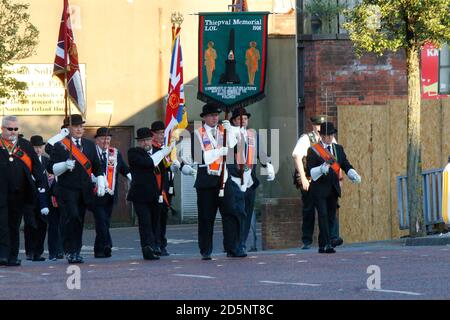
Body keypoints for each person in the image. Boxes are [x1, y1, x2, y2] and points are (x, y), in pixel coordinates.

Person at [47, 114, 105, 264]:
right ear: (68, 128)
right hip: (67, 190)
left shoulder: (90, 145)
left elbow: (97, 166)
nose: (79, 129)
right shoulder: (60, 145)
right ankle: (69, 250)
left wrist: (100, 179)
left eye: (81, 126)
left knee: (79, 220)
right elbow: (50, 167)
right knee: (70, 217)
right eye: (76, 126)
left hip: (84, 191)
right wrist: (64, 165)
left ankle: (76, 251)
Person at [193, 102, 244, 260]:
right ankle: (206, 250)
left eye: (217, 115)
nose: (215, 118)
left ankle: (232, 248)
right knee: (206, 218)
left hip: (224, 179)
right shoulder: (197, 134)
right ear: (205, 117)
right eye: (212, 115)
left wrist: (231, 133)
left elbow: (235, 148)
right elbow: (199, 157)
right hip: (206, 181)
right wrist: (218, 152)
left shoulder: (224, 131)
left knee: (231, 213)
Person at [306, 122, 361, 254]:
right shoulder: (313, 150)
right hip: (319, 189)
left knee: (331, 216)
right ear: (321, 135)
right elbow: (310, 172)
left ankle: (322, 243)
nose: (329, 138)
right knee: (323, 215)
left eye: (331, 135)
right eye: (326, 135)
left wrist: (352, 173)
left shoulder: (338, 149)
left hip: (333, 188)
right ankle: (328, 244)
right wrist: (321, 169)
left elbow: (345, 164)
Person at [0, 116, 48, 266]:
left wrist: (40, 184)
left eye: (15, 129)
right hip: (1, 193)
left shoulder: (26, 146)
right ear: (2, 129)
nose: (13, 132)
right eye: (10, 129)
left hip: (20, 193)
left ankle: (13, 256)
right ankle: (3, 255)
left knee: (14, 225)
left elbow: (36, 167)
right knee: (2, 225)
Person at [229, 107, 275, 254]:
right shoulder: (229, 134)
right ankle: (234, 243)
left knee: (247, 213)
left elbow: (260, 154)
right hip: (234, 180)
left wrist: (268, 164)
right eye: (239, 119)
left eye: (245, 119)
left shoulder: (252, 135)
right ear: (234, 121)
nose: (243, 122)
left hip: (250, 180)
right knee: (237, 212)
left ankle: (242, 242)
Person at [127, 127, 173, 260]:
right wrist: (163, 153)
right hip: (140, 195)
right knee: (145, 222)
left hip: (156, 194)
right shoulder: (134, 153)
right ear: (138, 142)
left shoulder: (159, 151)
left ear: (151, 140)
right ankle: (147, 248)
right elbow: (149, 163)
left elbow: (167, 168)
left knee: (155, 222)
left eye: (147, 140)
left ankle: (156, 246)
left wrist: (174, 164)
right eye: (142, 141)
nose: (145, 143)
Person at [92, 127, 131, 258]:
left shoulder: (114, 153)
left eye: (108, 138)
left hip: (110, 194)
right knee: (101, 220)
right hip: (95, 194)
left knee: (105, 222)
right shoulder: (91, 152)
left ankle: (99, 250)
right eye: (103, 138)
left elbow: (123, 168)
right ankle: (107, 244)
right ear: (96, 140)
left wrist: (131, 176)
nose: (106, 141)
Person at [24, 135, 51, 262]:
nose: (38, 150)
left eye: (40, 147)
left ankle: (38, 252)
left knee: (42, 225)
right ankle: (30, 251)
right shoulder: (26, 161)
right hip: (29, 197)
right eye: (35, 147)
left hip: (43, 198)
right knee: (30, 225)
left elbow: (49, 179)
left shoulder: (46, 161)